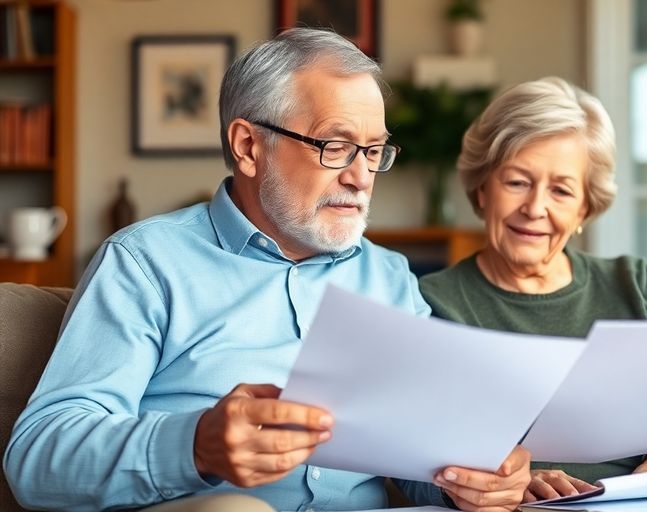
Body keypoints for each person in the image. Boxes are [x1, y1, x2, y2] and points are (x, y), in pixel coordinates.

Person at [3, 28, 530, 512]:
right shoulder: (144, 264)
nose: (361, 176)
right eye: (337, 146)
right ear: (249, 146)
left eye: (373, 151)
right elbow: (37, 458)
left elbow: (418, 453)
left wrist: (472, 473)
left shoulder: (389, 277)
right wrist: (195, 446)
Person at [418, 77, 647, 503]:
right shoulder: (432, 303)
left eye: (561, 190)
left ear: (585, 207)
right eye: (517, 182)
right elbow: (412, 460)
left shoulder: (633, 285)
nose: (535, 208)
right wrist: (491, 490)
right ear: (482, 189)